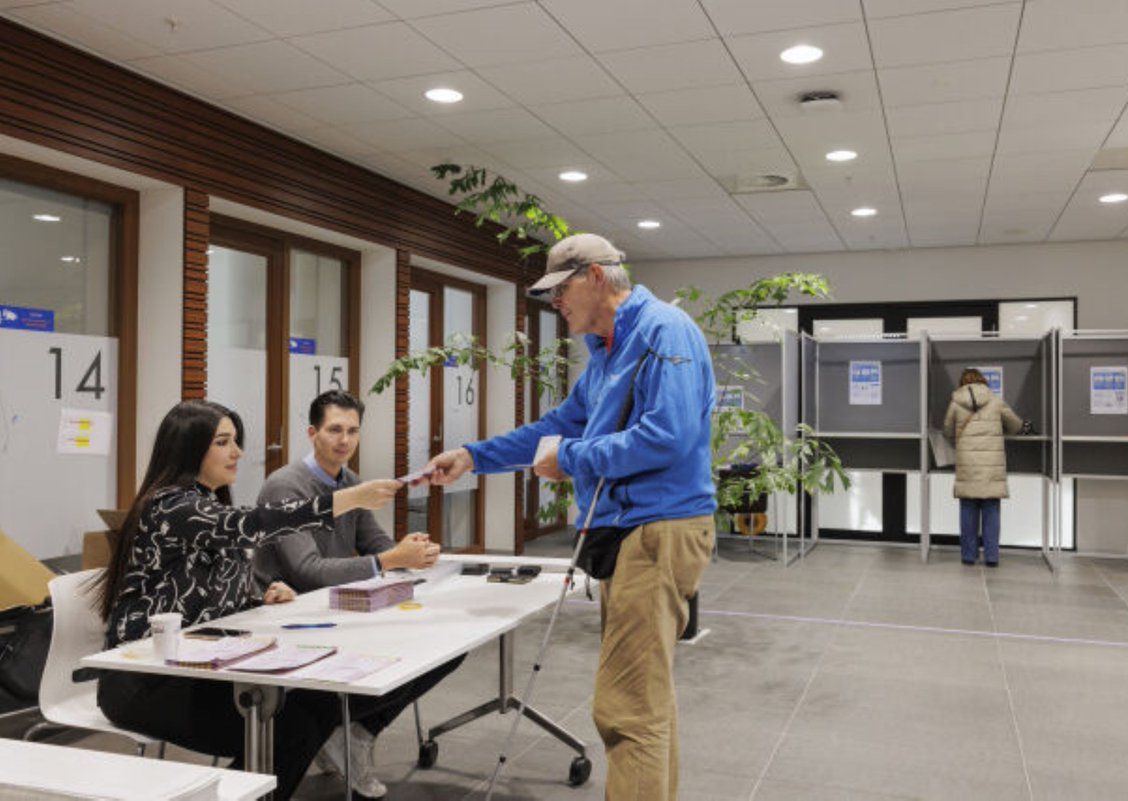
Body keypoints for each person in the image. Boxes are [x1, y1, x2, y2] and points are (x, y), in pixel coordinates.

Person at [420, 233, 716, 801]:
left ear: (598, 277)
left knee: (625, 708)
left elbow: (668, 437)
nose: (556, 303)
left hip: (659, 530)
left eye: (561, 290)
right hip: (633, 533)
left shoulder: (663, 331)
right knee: (646, 698)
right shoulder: (606, 352)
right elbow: (554, 429)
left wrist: (571, 458)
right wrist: (472, 457)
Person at [92, 400, 403, 800]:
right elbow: (252, 524)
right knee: (293, 728)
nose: (237, 452)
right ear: (190, 449)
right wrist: (347, 498)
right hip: (145, 682)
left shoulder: (206, 503)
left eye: (236, 441)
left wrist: (260, 597)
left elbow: (210, 596)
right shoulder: (171, 507)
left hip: (200, 667)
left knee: (323, 705)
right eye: (223, 442)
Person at [255, 389, 456, 796]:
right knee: (401, 653)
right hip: (282, 617)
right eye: (334, 430)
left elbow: (375, 544)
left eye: (352, 431)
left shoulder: (351, 482)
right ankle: (335, 727)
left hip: (334, 609)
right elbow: (306, 572)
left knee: (443, 648)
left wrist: (408, 549)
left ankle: (357, 731)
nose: (344, 440)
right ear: (312, 433)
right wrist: (390, 560)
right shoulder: (285, 487)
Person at [943, 368, 1024, 567]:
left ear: (962, 382)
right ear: (983, 381)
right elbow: (1015, 425)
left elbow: (947, 430)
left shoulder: (956, 403)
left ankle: (968, 556)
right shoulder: (996, 401)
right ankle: (992, 557)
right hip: (991, 468)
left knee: (968, 510)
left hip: (967, 465)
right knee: (991, 511)